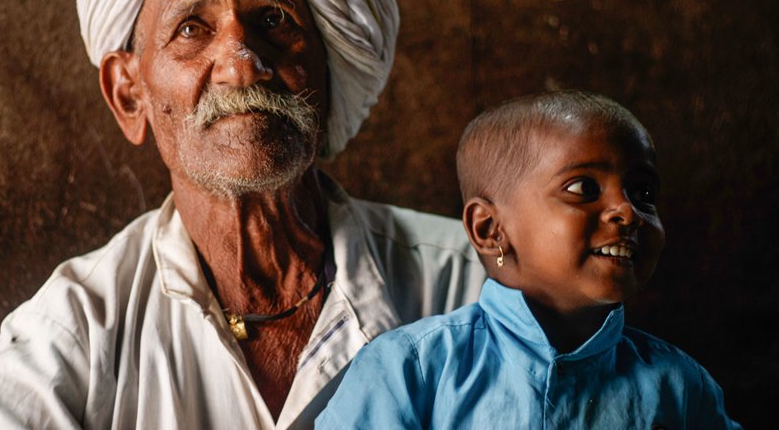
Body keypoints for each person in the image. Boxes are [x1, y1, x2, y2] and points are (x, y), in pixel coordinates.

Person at [0, 0, 485, 428]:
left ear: (328, 72)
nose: (241, 63)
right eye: (191, 29)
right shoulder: (68, 343)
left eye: (273, 20)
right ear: (129, 94)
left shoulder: (470, 290)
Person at [317, 91, 742, 429]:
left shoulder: (680, 387)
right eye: (583, 189)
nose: (627, 212)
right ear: (490, 230)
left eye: (642, 193)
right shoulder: (410, 370)